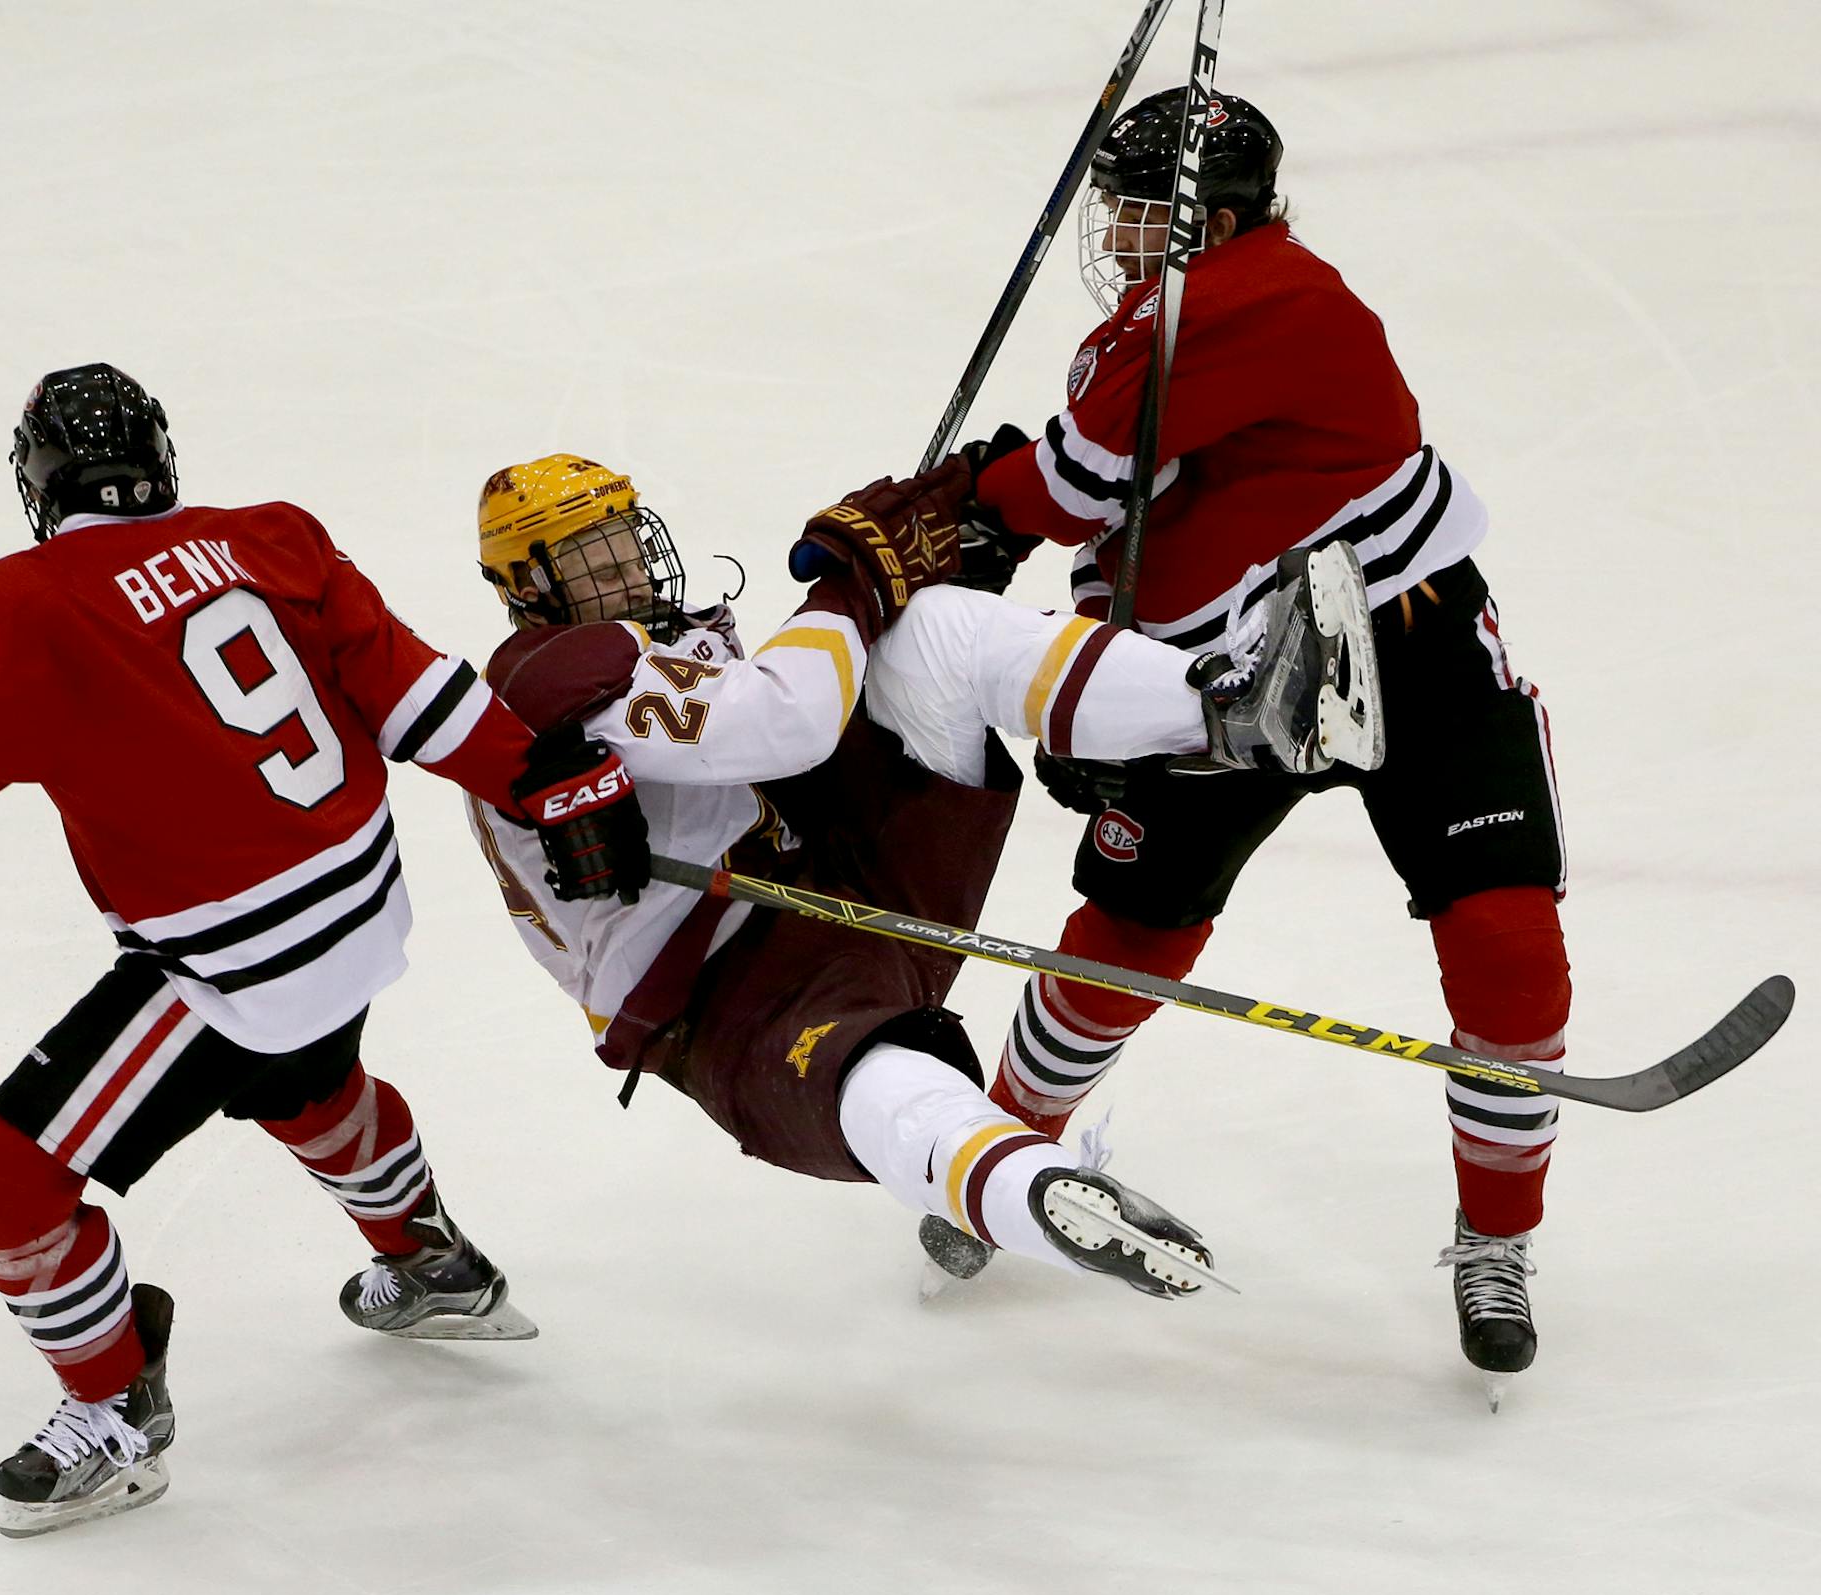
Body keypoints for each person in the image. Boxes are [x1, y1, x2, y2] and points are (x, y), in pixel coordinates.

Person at [0, 364, 650, 1535]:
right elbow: (415, 695)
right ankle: (431, 1261)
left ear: (41, 486)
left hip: (233, 961)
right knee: (307, 1081)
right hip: (363, 910)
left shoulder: (21, 604)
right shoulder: (274, 538)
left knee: (5, 1175)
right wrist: (549, 782)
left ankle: (115, 1412)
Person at [943, 88, 1572, 1405]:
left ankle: (1496, 1242)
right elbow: (1122, 529)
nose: (1114, 236)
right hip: (1225, 680)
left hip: (1410, 642)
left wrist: (966, 507)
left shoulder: (1255, 302)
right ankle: (1004, 1140)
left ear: (1211, 223)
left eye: (1137, 213)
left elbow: (1065, 489)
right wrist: (1095, 681)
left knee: (1507, 943)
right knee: (1124, 939)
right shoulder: (1159, 324)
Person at [457, 449, 1380, 1302]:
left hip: (825, 870)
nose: (620, 567)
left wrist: (920, 573)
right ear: (529, 588)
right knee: (878, 1081)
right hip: (717, 998)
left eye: (622, 538)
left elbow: (794, 715)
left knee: (935, 630)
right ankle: (1033, 1187)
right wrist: (855, 586)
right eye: (586, 555)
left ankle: (1228, 709)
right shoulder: (549, 675)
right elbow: (787, 722)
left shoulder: (649, 639)